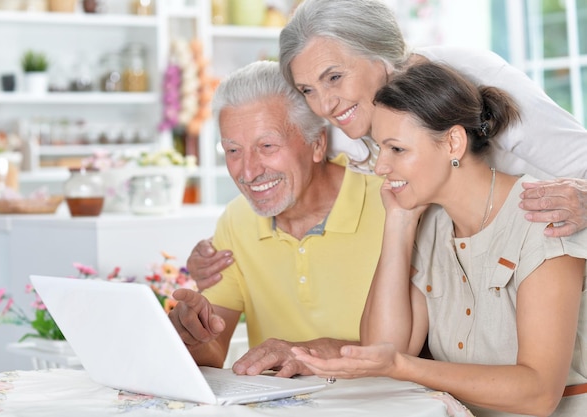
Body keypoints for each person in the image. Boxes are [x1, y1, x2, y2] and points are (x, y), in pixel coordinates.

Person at [189, 0, 587, 290]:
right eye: (308, 89)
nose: (325, 105)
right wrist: (216, 254)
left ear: (381, 56)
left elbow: (579, 158)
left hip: (558, 266)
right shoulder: (345, 126)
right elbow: (273, 172)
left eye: (334, 77)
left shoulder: (473, 75)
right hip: (470, 290)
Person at [292, 62, 587, 417]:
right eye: (378, 148)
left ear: (453, 142)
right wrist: (399, 223)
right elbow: (384, 346)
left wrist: (404, 367)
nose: (380, 167)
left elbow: (539, 394)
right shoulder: (429, 223)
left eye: (396, 149)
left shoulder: (543, 216)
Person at [169, 60, 387, 377]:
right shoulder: (236, 219)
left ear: (317, 144)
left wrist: (310, 353)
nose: (247, 172)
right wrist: (192, 336)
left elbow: (420, 348)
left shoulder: (391, 203)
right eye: (232, 150)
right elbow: (212, 353)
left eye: (267, 146)